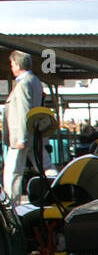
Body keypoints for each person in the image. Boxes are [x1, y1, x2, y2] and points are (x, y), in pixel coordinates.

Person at [4, 50, 43, 202]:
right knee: (44, 167)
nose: (12, 67)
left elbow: (23, 111)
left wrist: (21, 137)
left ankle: (11, 204)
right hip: (34, 134)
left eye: (12, 64)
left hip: (21, 136)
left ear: (18, 64)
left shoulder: (23, 84)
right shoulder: (35, 81)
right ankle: (58, 191)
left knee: (13, 173)